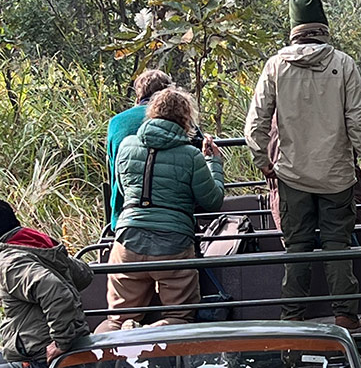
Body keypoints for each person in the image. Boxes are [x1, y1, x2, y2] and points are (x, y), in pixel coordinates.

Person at [244, 0, 361, 330]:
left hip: (292, 176)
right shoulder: (344, 64)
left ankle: (293, 317)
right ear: (323, 28)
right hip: (337, 175)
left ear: (294, 29)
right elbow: (358, 122)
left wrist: (263, 160)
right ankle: (346, 316)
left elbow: (255, 124)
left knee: (298, 248)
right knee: (338, 244)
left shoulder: (275, 66)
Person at [95, 88, 225, 333]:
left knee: (118, 319)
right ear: (186, 118)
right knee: (180, 316)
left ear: (150, 112)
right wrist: (214, 163)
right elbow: (213, 201)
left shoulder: (126, 146)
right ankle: (159, 340)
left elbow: (122, 189)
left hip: (127, 240)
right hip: (173, 245)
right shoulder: (190, 155)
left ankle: (101, 357)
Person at [0, 200, 93, 367]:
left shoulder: (10, 263)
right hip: (69, 348)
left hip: (41, 357)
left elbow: (55, 290)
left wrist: (61, 342)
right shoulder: (35, 247)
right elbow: (84, 274)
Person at [107, 70, 174, 232]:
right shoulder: (177, 116)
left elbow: (112, 170)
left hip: (124, 213)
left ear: (138, 96)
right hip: (173, 216)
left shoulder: (116, 123)